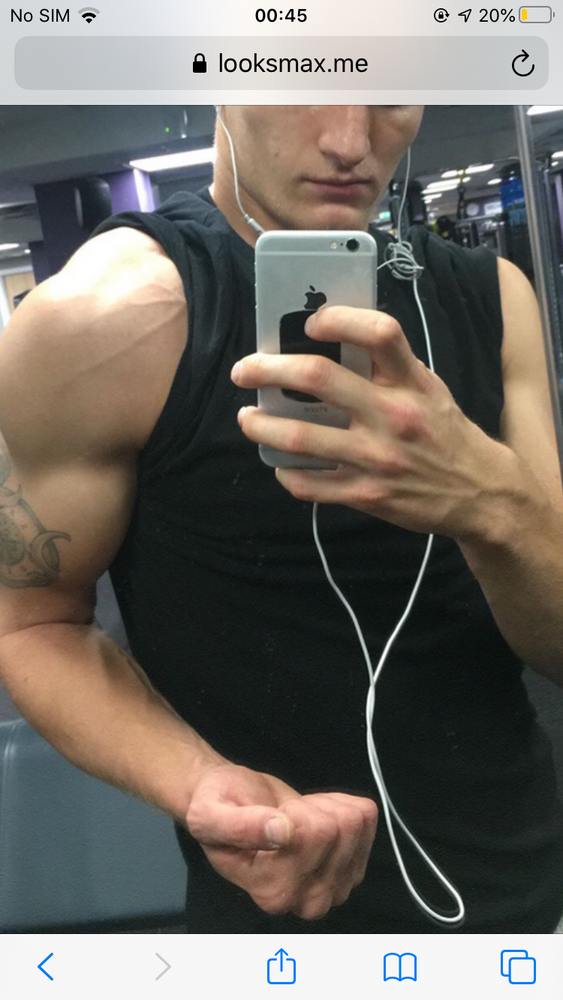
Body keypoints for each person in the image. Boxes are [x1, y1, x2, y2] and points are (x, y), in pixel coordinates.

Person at [0, 105, 563, 934]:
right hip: (273, 924)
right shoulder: (100, 320)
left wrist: (491, 505)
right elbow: (33, 622)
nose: (349, 141)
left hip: (529, 887)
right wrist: (196, 781)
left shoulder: (493, 297)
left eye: (387, 91)